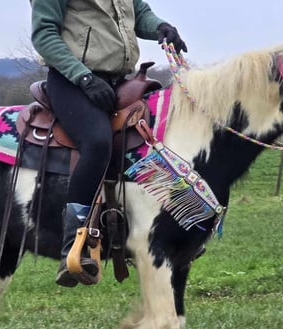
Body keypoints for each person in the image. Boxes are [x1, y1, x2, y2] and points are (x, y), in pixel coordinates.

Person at [30, 0, 188, 287]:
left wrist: (161, 27)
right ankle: (73, 245)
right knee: (97, 142)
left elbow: (139, 13)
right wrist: (84, 77)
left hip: (119, 80)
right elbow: (43, 35)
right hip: (72, 81)